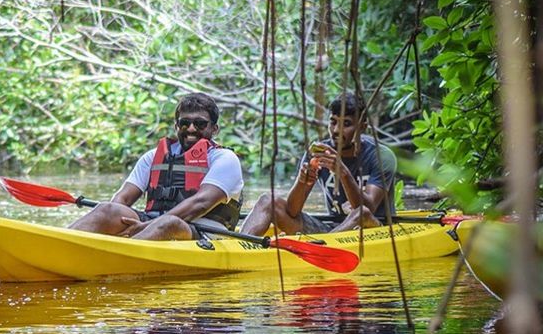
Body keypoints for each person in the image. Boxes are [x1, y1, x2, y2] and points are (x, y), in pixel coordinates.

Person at [69, 93, 244, 240]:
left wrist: (146, 226)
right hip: (151, 223)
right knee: (107, 209)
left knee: (167, 223)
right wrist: (115, 223)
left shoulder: (225, 159)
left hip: (202, 232)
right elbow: (122, 199)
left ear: (214, 129)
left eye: (199, 124)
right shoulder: (153, 157)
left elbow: (201, 203)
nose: (191, 129)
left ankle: (118, 256)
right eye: (185, 123)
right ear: (177, 126)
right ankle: (65, 241)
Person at [240, 92, 397, 236]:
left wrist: (343, 172)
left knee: (361, 213)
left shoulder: (381, 156)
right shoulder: (318, 152)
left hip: (373, 229)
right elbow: (292, 211)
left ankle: (324, 246)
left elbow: (368, 208)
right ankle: (240, 244)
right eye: (333, 122)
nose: (336, 130)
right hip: (334, 228)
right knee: (268, 200)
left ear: (362, 127)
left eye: (346, 124)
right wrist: (302, 181)